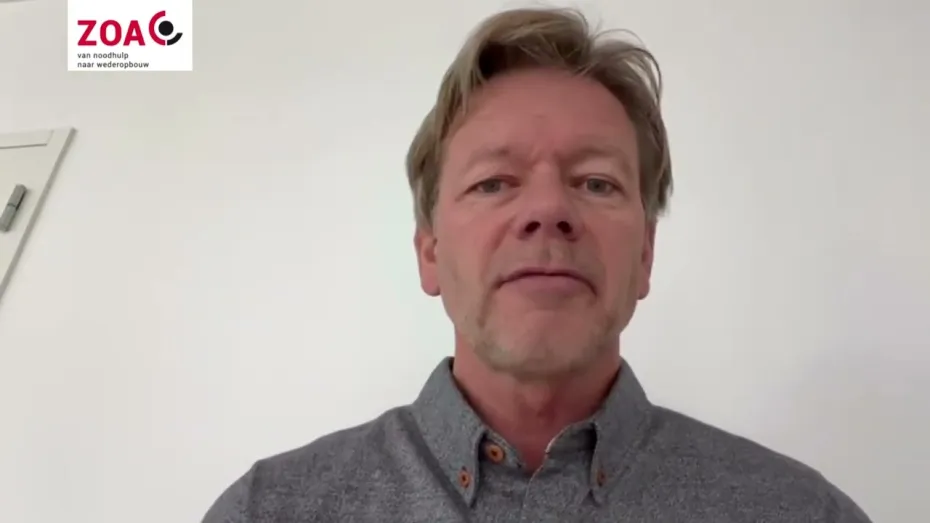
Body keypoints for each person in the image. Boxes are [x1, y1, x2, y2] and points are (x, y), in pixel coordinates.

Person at [202, 7, 872, 522]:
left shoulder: (803, 513)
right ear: (429, 250)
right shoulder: (268, 511)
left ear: (645, 254)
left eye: (597, 182)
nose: (549, 209)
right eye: (494, 182)